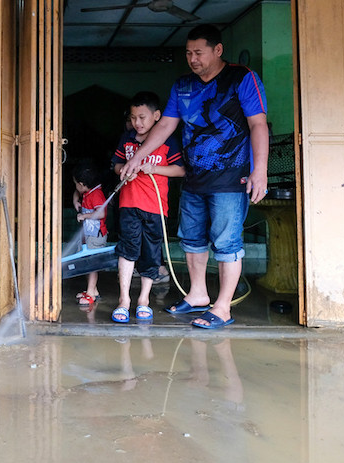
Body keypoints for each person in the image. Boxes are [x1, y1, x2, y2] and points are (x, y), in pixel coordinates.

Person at [120, 24, 268, 330]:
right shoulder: (182, 85)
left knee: (226, 241)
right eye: (188, 53)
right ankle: (198, 294)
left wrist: (260, 171)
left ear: (217, 50)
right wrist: (136, 157)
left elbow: (258, 125)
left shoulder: (243, 78)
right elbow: (164, 127)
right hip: (194, 177)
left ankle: (223, 307)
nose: (193, 59)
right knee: (192, 239)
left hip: (231, 177)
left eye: (198, 52)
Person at [110, 91, 185, 324]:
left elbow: (180, 170)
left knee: (151, 252)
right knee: (127, 249)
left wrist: (154, 170)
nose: (137, 123)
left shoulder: (167, 142)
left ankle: (143, 300)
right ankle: (124, 300)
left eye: (142, 118)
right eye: (133, 118)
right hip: (129, 203)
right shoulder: (127, 139)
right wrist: (124, 171)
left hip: (156, 207)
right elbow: (115, 164)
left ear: (157, 116)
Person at [72, 160, 109, 308]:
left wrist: (84, 216)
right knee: (87, 262)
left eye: (76, 184)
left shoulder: (96, 195)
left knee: (92, 265)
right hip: (89, 235)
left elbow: (101, 213)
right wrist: (76, 201)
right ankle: (93, 290)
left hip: (96, 236)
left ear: (82, 184)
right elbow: (77, 192)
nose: (75, 187)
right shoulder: (87, 191)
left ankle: (90, 293)